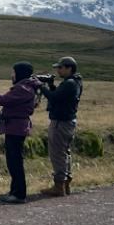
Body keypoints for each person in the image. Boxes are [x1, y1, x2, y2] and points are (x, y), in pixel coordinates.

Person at [0, 62, 41, 204]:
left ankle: (19, 194)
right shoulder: (25, 87)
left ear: (19, 73)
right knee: (13, 161)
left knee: (15, 162)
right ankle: (14, 191)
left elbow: (3, 100)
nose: (11, 75)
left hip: (16, 128)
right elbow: (7, 100)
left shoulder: (23, 88)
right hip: (15, 127)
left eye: (13, 72)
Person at [39, 56, 83, 197]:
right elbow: (59, 96)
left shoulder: (69, 83)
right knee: (65, 152)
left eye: (60, 67)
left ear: (69, 68)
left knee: (57, 153)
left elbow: (54, 98)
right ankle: (66, 184)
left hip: (60, 122)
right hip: (68, 122)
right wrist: (51, 85)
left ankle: (59, 186)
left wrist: (41, 86)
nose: (58, 70)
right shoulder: (74, 82)